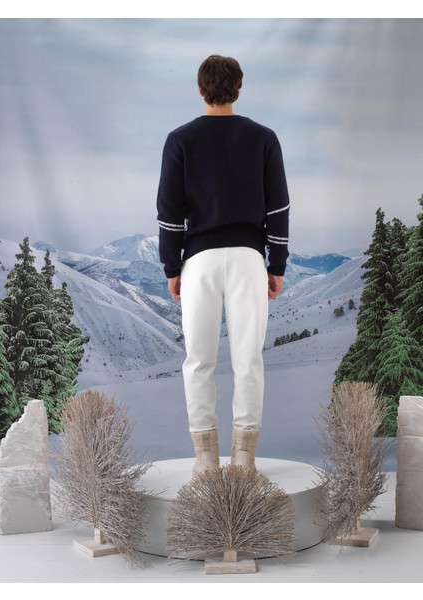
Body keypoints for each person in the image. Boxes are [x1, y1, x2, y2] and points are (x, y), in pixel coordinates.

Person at [156, 55, 290, 474]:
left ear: (200, 90)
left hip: (199, 262)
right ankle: (245, 459)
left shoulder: (180, 140)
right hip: (249, 259)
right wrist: (277, 265)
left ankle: (205, 461)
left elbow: (169, 212)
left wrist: (171, 268)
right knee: (248, 360)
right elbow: (278, 208)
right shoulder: (264, 138)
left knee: (199, 361)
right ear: (238, 88)